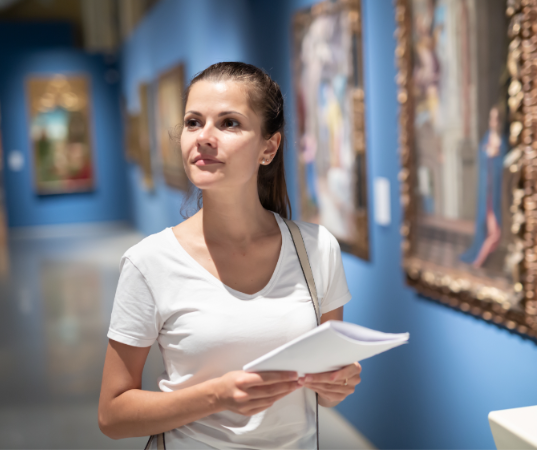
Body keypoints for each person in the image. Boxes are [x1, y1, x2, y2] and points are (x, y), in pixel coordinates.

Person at [98, 62, 361, 449]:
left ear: (268, 148)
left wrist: (338, 382)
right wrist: (215, 397)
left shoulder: (317, 249)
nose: (204, 137)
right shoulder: (149, 262)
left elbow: (323, 393)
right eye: (193, 122)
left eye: (229, 123)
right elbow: (112, 415)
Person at [460, 106, 509, 268]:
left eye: (496, 118)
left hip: (495, 195)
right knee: (489, 230)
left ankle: (478, 261)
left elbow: (502, 164)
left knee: (495, 232)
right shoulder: (487, 139)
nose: (493, 122)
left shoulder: (501, 141)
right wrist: (488, 153)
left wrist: (495, 155)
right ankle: (478, 261)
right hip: (486, 193)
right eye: (491, 118)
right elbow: (482, 157)